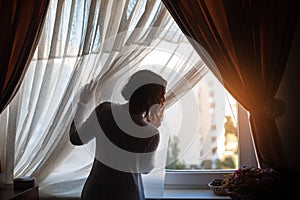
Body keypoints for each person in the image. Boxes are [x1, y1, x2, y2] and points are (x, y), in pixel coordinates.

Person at [69, 70, 167, 200]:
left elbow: (76, 139)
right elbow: (145, 169)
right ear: (152, 101)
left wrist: (82, 104)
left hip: (96, 191)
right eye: (162, 96)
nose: (164, 100)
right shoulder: (151, 133)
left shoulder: (104, 111)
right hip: (128, 194)